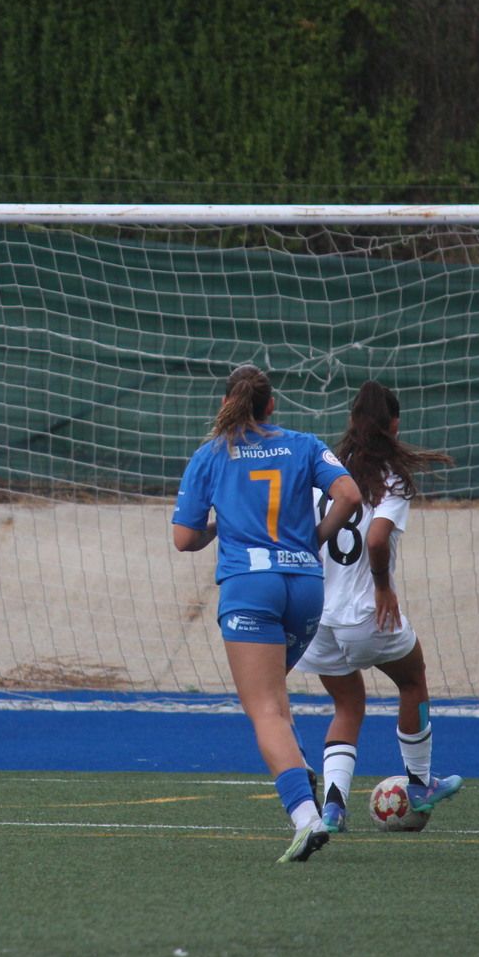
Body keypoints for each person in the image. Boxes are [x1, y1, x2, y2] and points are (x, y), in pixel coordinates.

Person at [172, 364, 362, 863]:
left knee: (266, 710)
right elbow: (350, 495)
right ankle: (303, 774)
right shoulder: (302, 443)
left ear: (225, 405)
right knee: (276, 696)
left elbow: (184, 538)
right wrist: (315, 539)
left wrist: (220, 527)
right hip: (304, 586)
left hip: (250, 586)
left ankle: (304, 816)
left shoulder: (211, 454)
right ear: (271, 405)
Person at [296, 379, 462, 834]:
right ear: (394, 424)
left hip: (316, 617)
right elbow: (375, 538)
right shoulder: (391, 478)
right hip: (364, 613)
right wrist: (382, 585)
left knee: (347, 705)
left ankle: (332, 808)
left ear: (351, 421)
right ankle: (420, 781)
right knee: (413, 679)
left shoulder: (321, 470)